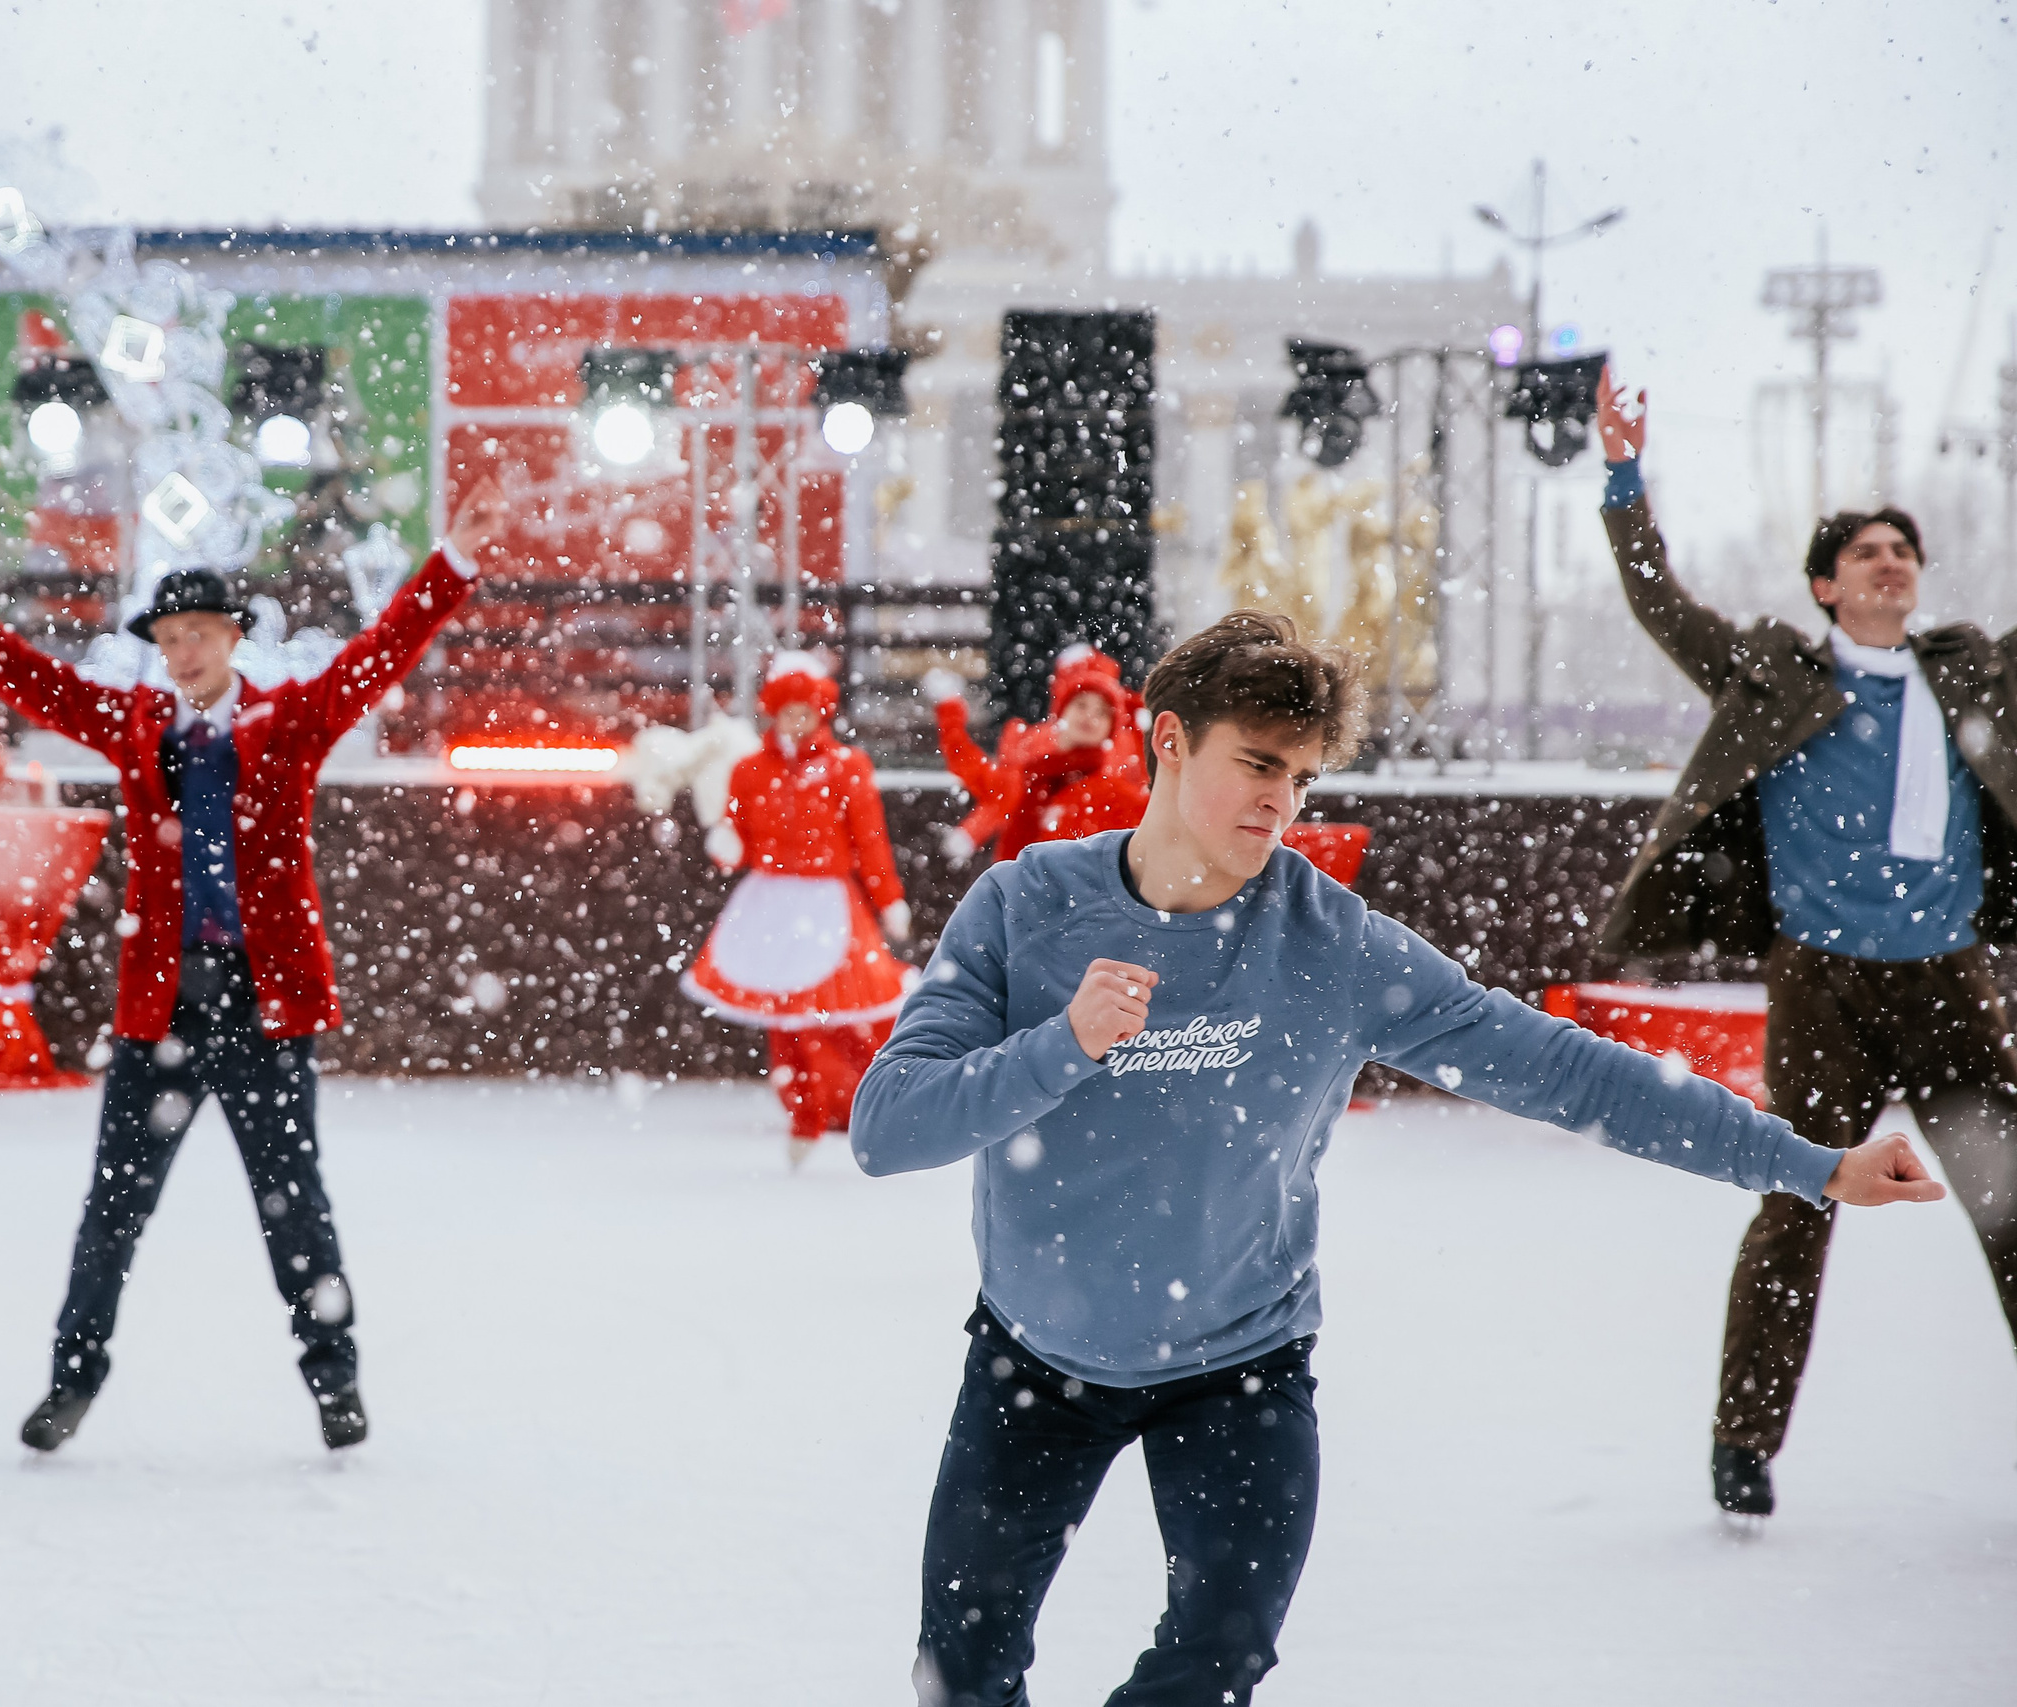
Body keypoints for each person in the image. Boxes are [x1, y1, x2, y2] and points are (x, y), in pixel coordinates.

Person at [850, 611, 1942, 1706]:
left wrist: (1804, 1162)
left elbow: (1569, 1071)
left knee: (1215, 1658)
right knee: (963, 1671)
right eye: (1258, 763)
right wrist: (1062, 1047)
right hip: (1035, 1362)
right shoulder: (1024, 905)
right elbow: (887, 1126)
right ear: (1169, 741)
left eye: (1304, 775)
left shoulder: (1333, 944)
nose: (1281, 800)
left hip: (1238, 1367)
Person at [0, 481, 506, 1453]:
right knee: (111, 1212)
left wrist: (451, 563)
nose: (185, 651)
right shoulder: (135, 727)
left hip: (265, 1002)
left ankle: (334, 1381)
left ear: (230, 637)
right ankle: (70, 1380)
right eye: (171, 639)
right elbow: (26, 678)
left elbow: (382, 657)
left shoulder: (287, 721)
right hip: (161, 1005)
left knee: (294, 1207)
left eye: (201, 633)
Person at [1595, 365, 2017, 1517]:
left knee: (2011, 1201)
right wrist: (1622, 477)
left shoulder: (1971, 670)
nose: (1892, 563)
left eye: (1904, 551)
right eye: (1868, 553)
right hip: (1823, 982)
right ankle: (1743, 1444)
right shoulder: (1777, 671)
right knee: (1797, 1202)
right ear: (1827, 585)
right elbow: (1660, 602)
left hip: (1950, 980)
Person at [682, 652, 915, 1166]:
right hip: (771, 902)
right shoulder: (749, 770)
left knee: (848, 1013)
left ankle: (869, 1103)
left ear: (822, 712)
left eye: (806, 709)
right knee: (786, 1018)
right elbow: (738, 832)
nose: (796, 719)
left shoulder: (847, 767)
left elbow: (870, 840)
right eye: (787, 708)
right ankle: (804, 1110)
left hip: (827, 902)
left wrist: (889, 898)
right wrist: (727, 844)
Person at [929, 644, 1149, 863]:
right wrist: (950, 712)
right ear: (1061, 710)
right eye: (1081, 705)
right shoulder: (1029, 774)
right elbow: (972, 768)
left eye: (1102, 713)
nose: (1090, 717)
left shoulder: (1115, 791)